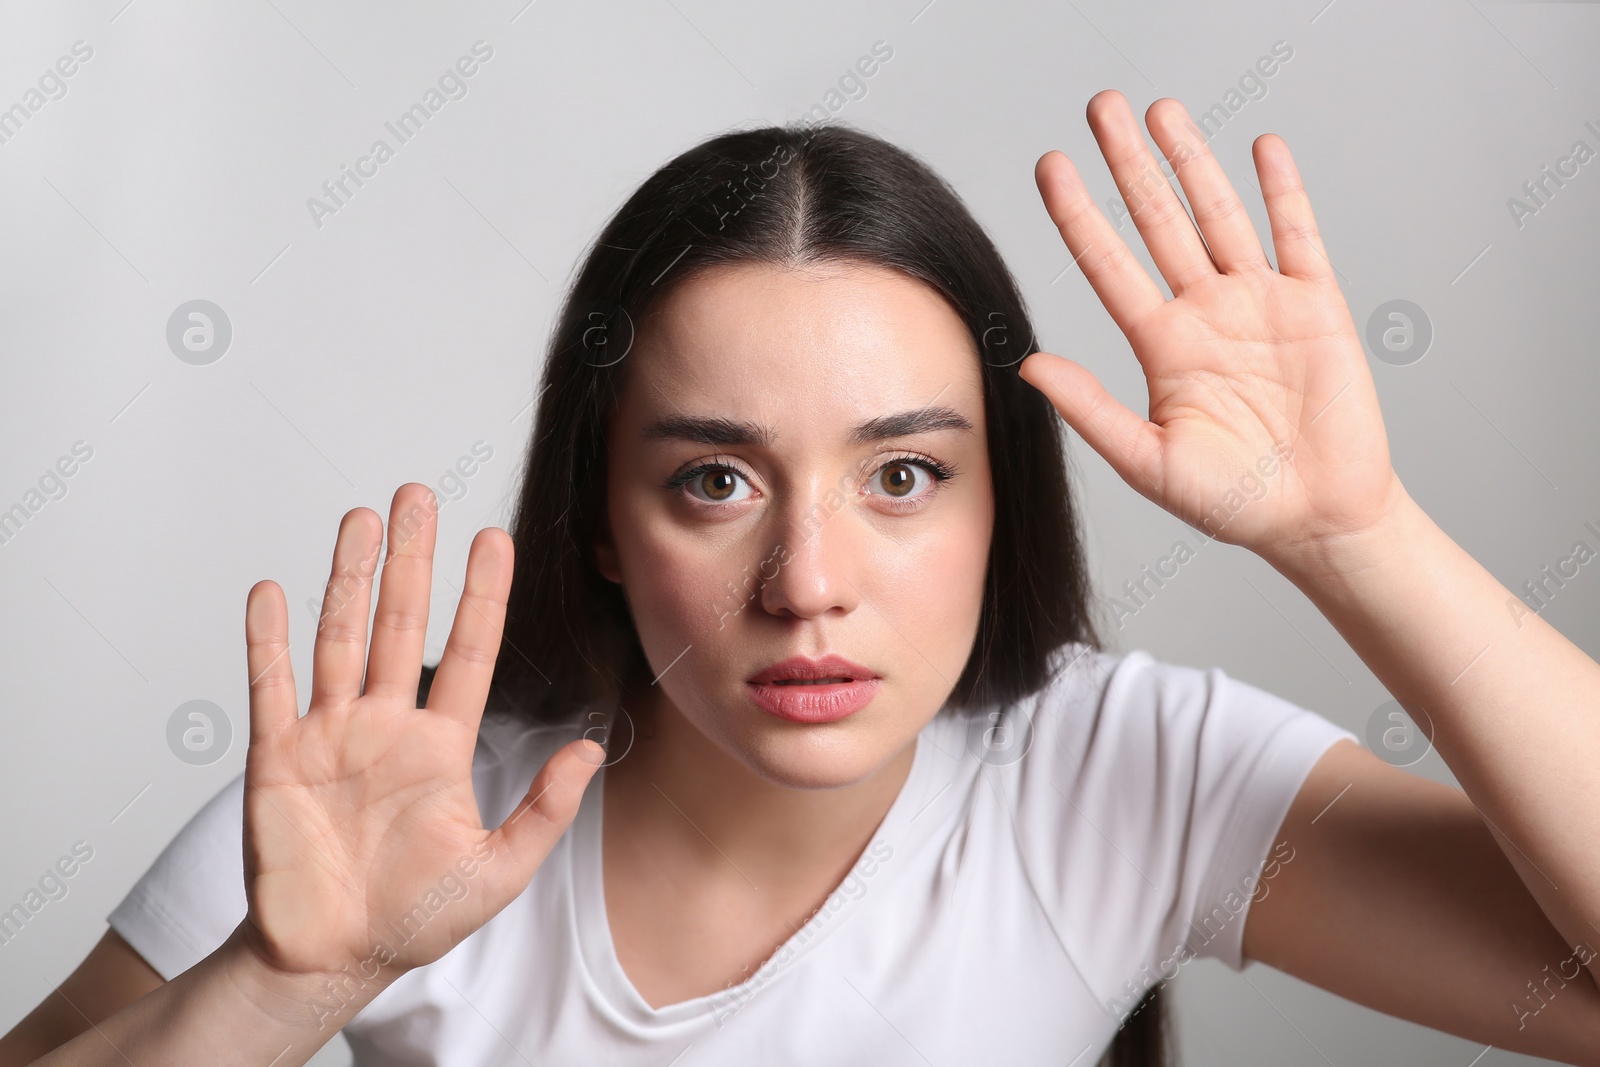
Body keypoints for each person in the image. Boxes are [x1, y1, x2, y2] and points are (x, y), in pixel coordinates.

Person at [6, 90, 1600, 1067]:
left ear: (1002, 506)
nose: (809, 581)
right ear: (601, 525)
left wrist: (1355, 535)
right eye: (714, 481)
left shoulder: (1117, 767)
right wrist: (287, 988)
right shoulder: (394, 803)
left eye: (903, 475)